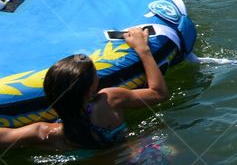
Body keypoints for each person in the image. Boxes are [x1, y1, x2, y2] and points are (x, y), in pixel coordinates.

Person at [0, 28, 168, 151]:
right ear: (90, 91)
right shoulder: (109, 100)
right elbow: (159, 93)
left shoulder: (46, 133)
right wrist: (143, 50)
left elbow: (4, 137)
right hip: (138, 157)